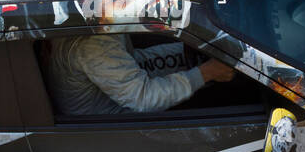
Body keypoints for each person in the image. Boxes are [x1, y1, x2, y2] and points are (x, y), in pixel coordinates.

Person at [46, 32, 235, 116]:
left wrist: (185, 51)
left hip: (112, 95)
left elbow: (130, 63)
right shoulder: (93, 45)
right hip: (108, 122)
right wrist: (205, 73)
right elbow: (143, 99)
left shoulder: (96, 23)